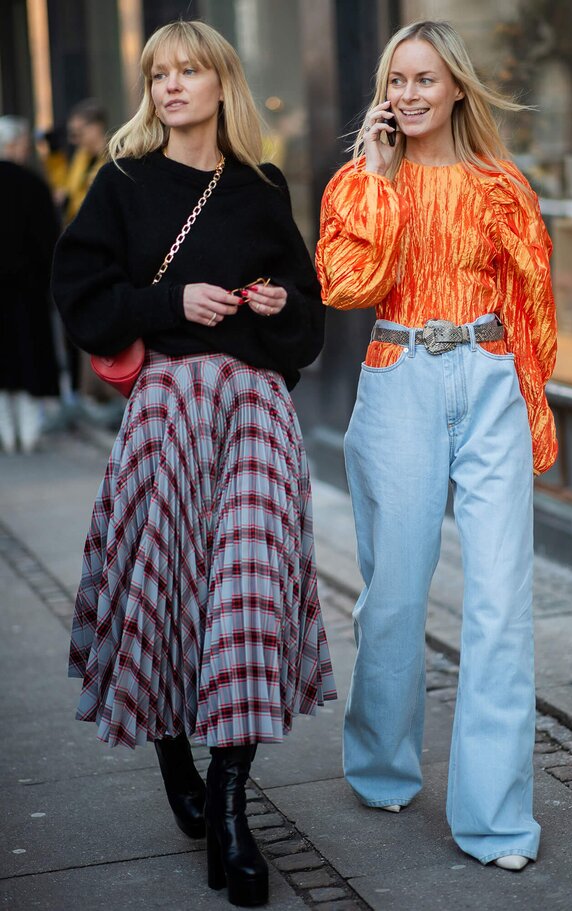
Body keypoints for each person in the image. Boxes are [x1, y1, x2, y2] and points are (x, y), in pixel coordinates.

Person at [52, 20, 336, 907]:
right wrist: (172, 298)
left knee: (246, 590)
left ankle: (229, 795)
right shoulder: (124, 182)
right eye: (158, 74)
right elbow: (82, 293)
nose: (172, 86)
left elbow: (308, 320)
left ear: (222, 83)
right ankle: (173, 743)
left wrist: (281, 299)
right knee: (170, 585)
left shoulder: (260, 186)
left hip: (255, 412)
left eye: (189, 71)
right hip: (168, 406)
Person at [316, 20, 557, 872]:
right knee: (394, 594)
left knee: (500, 607)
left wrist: (532, 404)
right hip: (398, 373)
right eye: (397, 81)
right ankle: (382, 761)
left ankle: (493, 819)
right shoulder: (359, 182)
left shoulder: (501, 185)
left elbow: (532, 307)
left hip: (489, 374)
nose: (409, 95)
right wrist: (379, 183)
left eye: (424, 80)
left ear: (456, 85)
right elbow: (346, 285)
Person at [0, 116, 61, 453]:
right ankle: (28, 434)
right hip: (27, 290)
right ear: (13, 145)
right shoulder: (33, 185)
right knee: (28, 359)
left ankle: (6, 436)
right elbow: (50, 242)